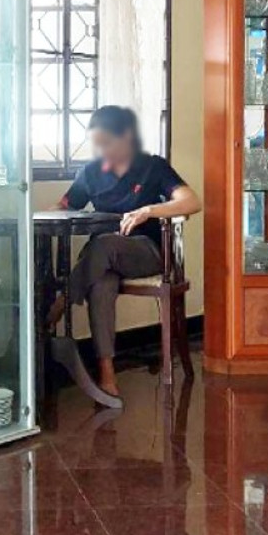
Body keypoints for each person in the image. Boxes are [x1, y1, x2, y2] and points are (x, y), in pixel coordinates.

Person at [50, 105, 201, 400]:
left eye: (107, 143)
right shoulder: (91, 173)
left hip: (147, 252)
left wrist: (149, 210)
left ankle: (60, 303)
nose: (101, 151)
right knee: (101, 284)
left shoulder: (153, 167)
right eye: (97, 145)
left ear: (127, 137)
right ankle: (107, 374)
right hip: (101, 260)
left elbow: (191, 201)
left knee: (104, 244)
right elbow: (64, 207)